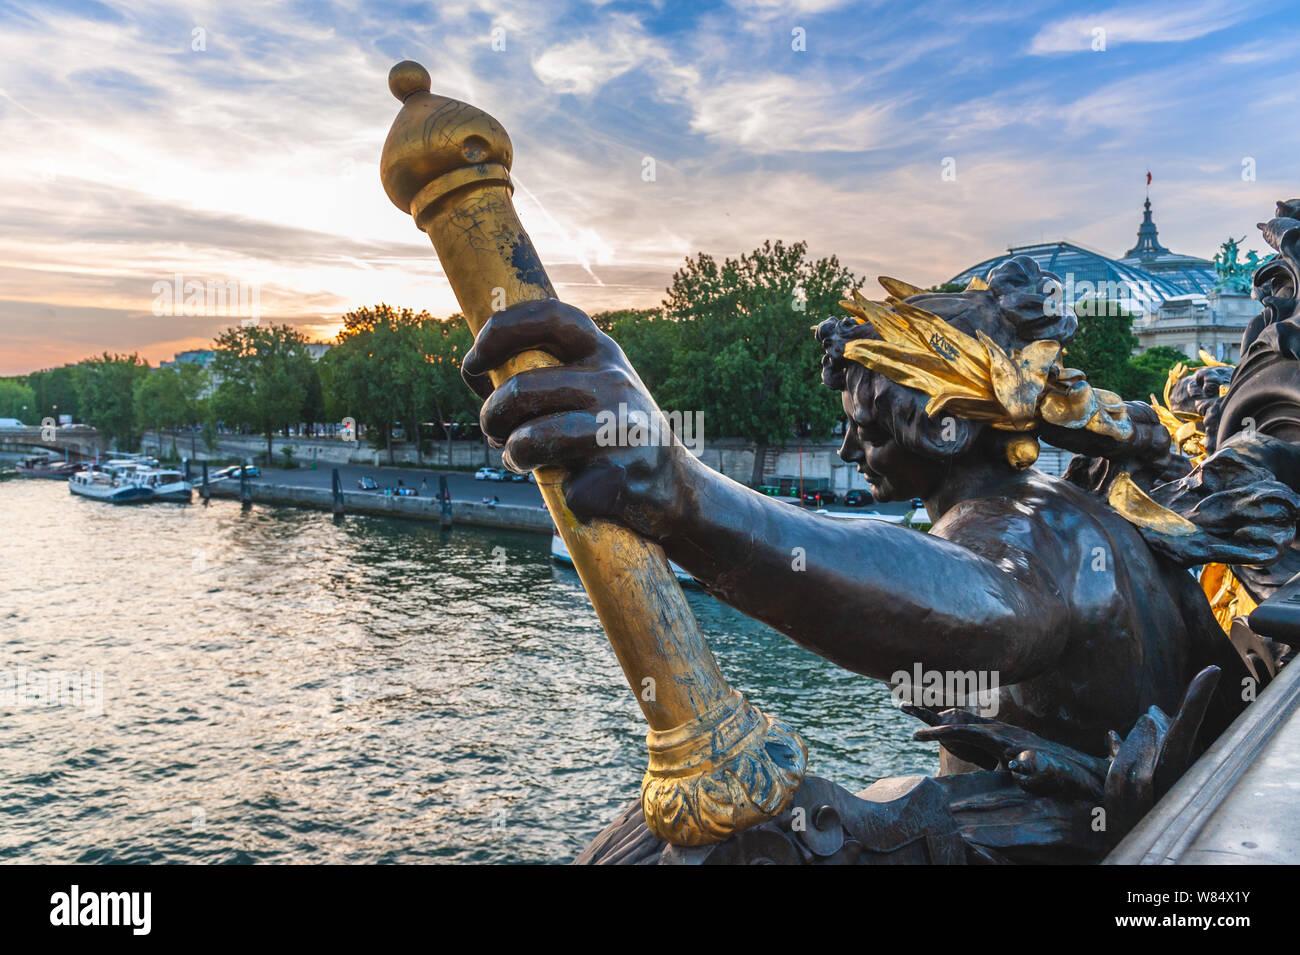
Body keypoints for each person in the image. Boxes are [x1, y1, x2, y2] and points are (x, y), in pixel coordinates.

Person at [459, 259, 1271, 763]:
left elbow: (984, 607)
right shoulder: (1056, 505)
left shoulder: (1024, 529)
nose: (851, 451)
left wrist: (689, 497)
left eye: (868, 426)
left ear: (946, 429)